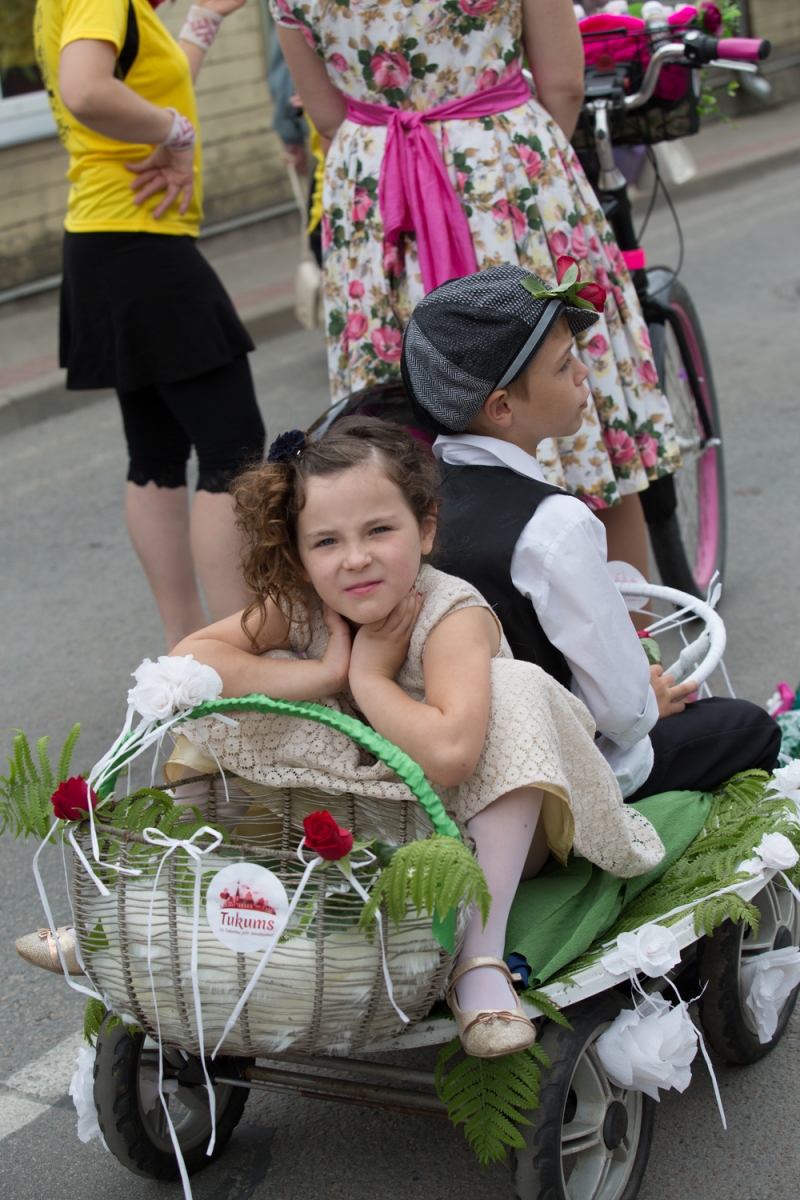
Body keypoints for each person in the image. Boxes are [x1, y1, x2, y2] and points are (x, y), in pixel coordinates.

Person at [168, 418, 665, 1057]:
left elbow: (454, 757)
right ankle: (179, 891)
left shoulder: (449, 611)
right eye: (326, 541)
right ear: (298, 554)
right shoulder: (305, 605)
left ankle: (478, 962)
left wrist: (369, 678)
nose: (355, 558)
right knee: (213, 698)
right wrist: (320, 672)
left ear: (424, 530)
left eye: (379, 530)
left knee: (515, 687)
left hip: (480, 826)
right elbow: (190, 659)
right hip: (374, 822)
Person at [271, 0, 680, 579]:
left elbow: (327, 114)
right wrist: (515, 157)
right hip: (501, 169)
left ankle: (450, 645)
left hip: (378, 186)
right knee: (582, 426)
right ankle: (635, 652)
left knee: (399, 442)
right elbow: (563, 84)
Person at [399, 262, 781, 801]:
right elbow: (623, 712)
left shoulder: (410, 496)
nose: (583, 373)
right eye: (562, 366)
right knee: (748, 727)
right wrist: (646, 698)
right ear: (502, 407)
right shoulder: (553, 523)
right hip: (567, 771)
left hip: (462, 760)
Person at [34, 0, 266, 649]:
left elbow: (144, 90)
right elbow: (87, 90)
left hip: (107, 241)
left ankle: (191, 660)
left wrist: (205, 22)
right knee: (235, 451)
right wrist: (175, 133)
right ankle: (241, 656)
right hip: (137, 245)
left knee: (158, 453)